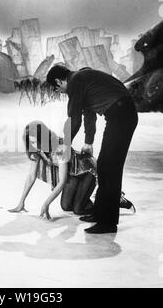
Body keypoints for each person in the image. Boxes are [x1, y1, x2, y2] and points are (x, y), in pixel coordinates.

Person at [46, 65, 138, 234]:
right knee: (103, 166)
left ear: (59, 81)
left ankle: (108, 223)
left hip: (121, 114)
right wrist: (89, 141)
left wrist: (64, 145)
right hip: (119, 114)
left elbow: (74, 118)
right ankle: (99, 213)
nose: (58, 92)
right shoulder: (83, 81)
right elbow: (88, 115)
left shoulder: (75, 81)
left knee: (110, 168)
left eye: (56, 88)